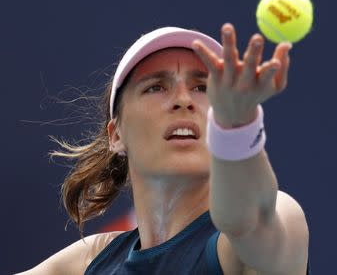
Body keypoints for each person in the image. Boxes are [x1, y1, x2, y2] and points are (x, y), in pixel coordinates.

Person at [17, 23, 310, 274]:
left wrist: (239, 128)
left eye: (203, 88)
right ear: (116, 134)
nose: (183, 99)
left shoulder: (279, 215)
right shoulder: (90, 262)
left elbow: (248, 223)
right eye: (156, 87)